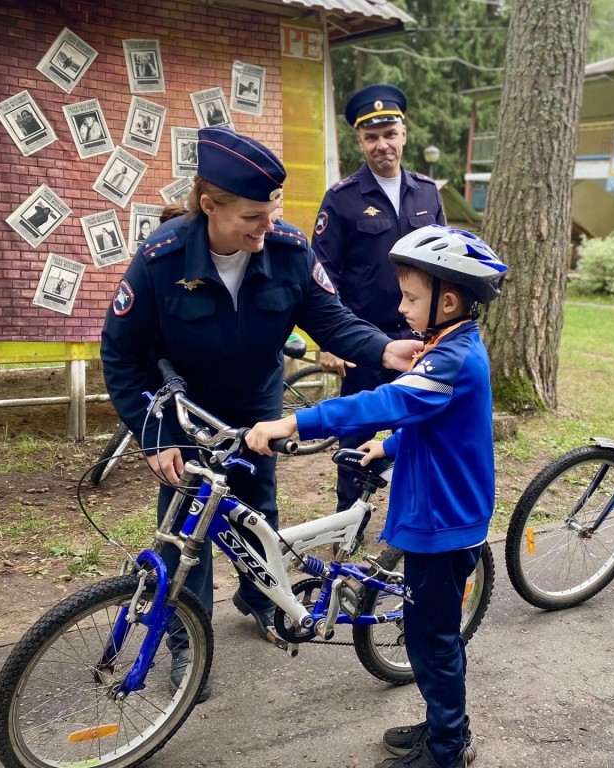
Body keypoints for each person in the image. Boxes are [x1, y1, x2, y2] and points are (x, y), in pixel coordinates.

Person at [100, 127, 422, 703]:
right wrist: (156, 436)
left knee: (257, 512)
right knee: (187, 532)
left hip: (254, 407)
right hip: (186, 411)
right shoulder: (160, 260)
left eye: (272, 209)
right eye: (253, 215)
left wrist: (382, 347)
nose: (267, 225)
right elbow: (122, 356)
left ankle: (260, 600)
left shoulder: (288, 250)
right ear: (210, 206)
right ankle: (185, 645)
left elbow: (329, 318)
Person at [246, 225, 508, 768]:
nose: (401, 305)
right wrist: (388, 448)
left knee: (432, 643)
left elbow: (385, 401)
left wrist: (295, 420)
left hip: (444, 523)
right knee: (427, 637)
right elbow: (433, 422)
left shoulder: (452, 359)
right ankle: (443, 726)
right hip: (437, 512)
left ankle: (447, 749)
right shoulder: (450, 347)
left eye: (412, 297)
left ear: (450, 300)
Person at [312, 83, 445, 519]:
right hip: (364, 340)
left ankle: (412, 518)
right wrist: (331, 341)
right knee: (356, 435)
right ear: (360, 141)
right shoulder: (342, 198)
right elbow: (321, 273)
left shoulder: (428, 192)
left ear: (404, 134)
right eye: (371, 137)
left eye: (389, 133)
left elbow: (444, 264)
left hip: (423, 339)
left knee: (421, 431)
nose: (382, 144)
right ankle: (348, 522)